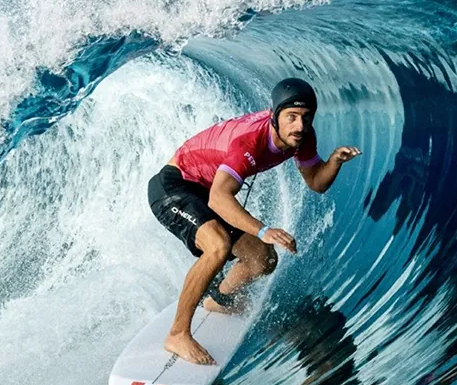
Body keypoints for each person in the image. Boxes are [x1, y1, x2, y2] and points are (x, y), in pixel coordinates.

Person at [147, 78, 361, 365]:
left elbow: (315, 182)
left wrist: (333, 161)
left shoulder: (302, 137)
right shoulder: (249, 143)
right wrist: (263, 230)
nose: (299, 125)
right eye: (291, 117)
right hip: (176, 186)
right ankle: (177, 334)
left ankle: (217, 301)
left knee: (262, 259)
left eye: (306, 117)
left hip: (207, 189)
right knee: (218, 246)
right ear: (274, 115)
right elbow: (219, 199)